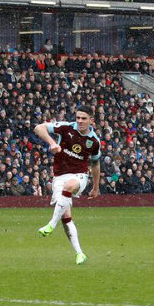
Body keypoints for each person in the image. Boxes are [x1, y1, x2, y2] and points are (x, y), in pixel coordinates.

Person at [33, 108, 102, 265]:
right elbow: (38, 128)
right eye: (78, 117)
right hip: (59, 177)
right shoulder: (66, 127)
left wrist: (96, 187)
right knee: (66, 216)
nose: (80, 121)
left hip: (79, 176)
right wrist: (52, 143)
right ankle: (80, 254)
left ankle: (51, 224)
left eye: (84, 118)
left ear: (91, 121)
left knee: (70, 185)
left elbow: (96, 164)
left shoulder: (94, 141)